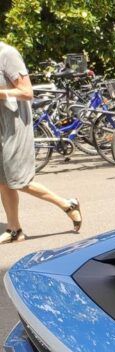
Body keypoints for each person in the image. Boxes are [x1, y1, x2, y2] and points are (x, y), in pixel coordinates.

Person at [0, 42, 81, 243]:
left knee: (18, 179)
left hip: (15, 124)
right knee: (3, 181)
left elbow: (27, 92)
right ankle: (14, 230)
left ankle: (67, 204)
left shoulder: (7, 55)